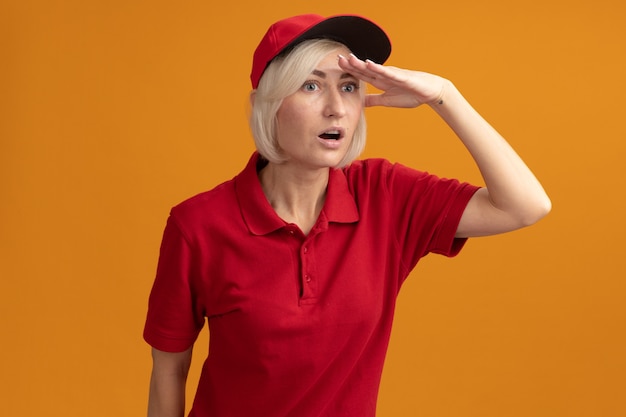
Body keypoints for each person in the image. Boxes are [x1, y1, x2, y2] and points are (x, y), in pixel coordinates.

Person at [143, 14, 551, 417]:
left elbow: (525, 205)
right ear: (265, 105)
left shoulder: (385, 196)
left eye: (350, 86)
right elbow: (169, 372)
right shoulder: (197, 226)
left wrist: (444, 95)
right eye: (311, 85)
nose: (336, 108)